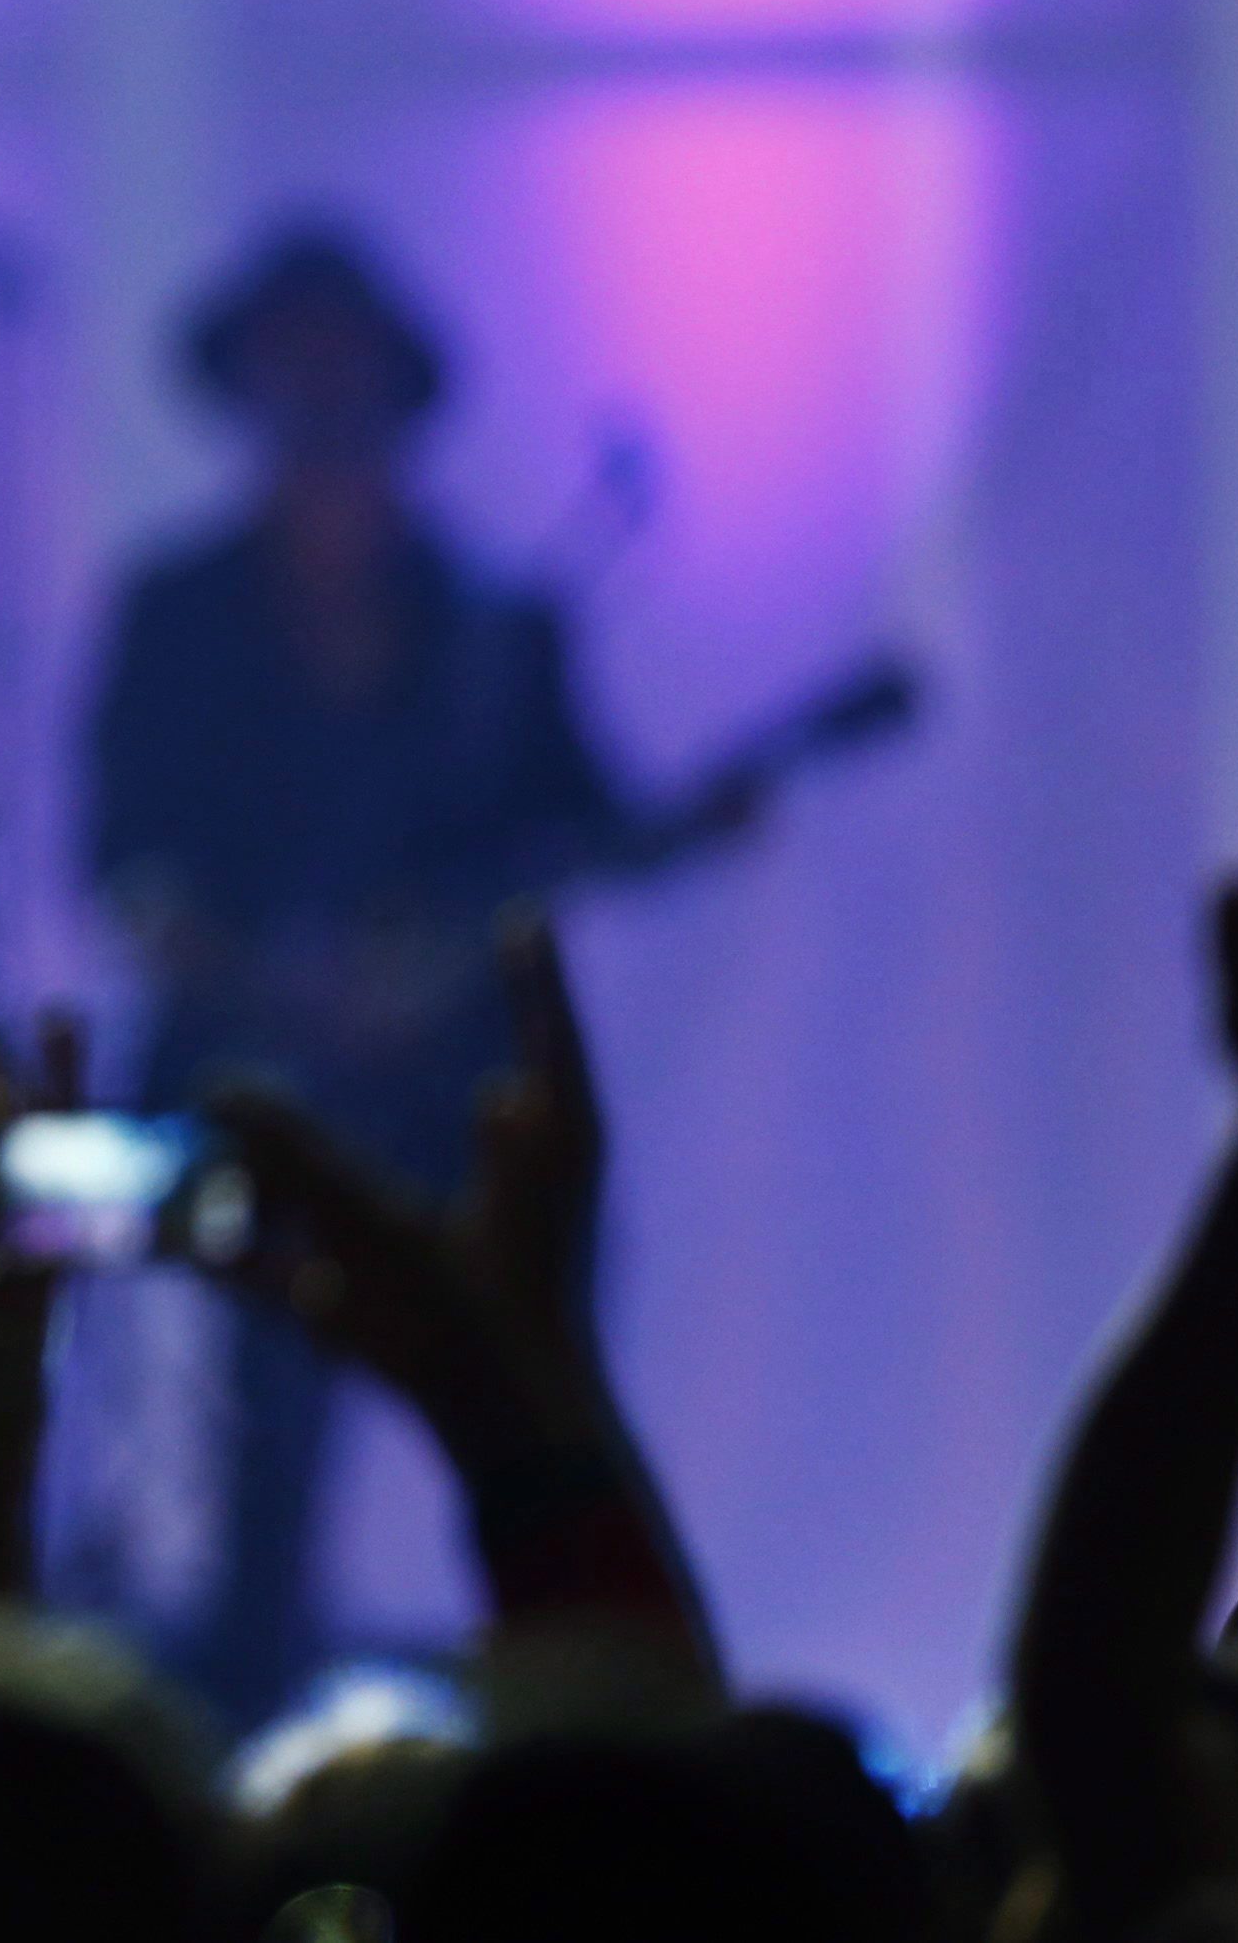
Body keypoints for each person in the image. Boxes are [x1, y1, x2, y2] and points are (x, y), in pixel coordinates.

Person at [82, 218, 754, 1718]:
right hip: (258, 1093)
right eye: (286, 365)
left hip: (462, 1100)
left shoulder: (488, 626)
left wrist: (691, 825)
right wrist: (266, 979)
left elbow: (578, 820)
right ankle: (255, 1724)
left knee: (534, 1409)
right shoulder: (177, 615)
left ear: (395, 386)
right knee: (262, 1445)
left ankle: (571, 1720)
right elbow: (123, 854)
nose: (317, 399)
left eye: (342, 365)